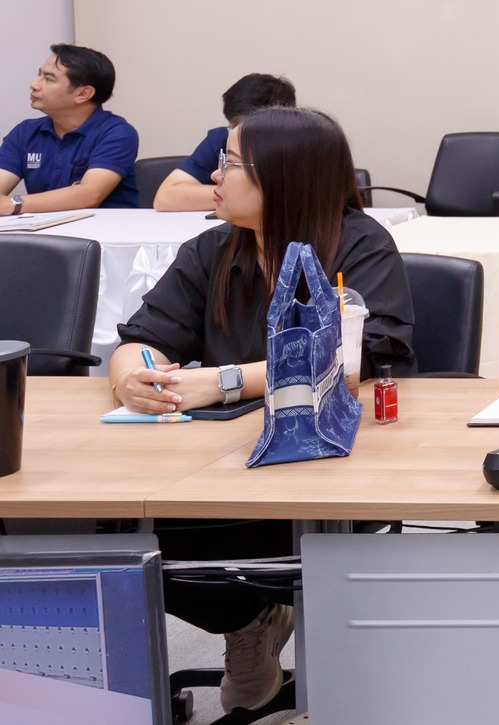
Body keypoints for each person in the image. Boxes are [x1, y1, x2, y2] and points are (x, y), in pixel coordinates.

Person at [109, 106, 413, 711]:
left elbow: (361, 356)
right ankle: (248, 625)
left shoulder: (359, 245)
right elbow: (143, 337)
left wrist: (223, 382)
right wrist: (133, 378)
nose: (213, 175)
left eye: (229, 163)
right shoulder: (212, 250)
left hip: (327, 461)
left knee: (192, 533)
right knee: (123, 531)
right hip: (220, 463)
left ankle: (308, 656)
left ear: (282, 175)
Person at [0, 44, 139, 214]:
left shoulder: (117, 133)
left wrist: (13, 204)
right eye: (39, 75)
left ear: (83, 94)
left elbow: (89, 195)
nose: (34, 85)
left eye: (49, 79)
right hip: (44, 228)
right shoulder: (25, 132)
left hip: (105, 228)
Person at [154, 72, 299, 211]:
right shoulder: (221, 140)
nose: (235, 133)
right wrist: (237, 196)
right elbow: (166, 197)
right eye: (233, 124)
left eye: (245, 127)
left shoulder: (301, 147)